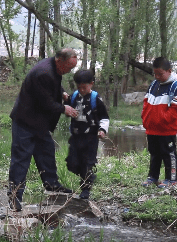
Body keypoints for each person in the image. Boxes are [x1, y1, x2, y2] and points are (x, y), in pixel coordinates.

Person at [8, 48, 79, 212]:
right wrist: (64, 109)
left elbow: (53, 85)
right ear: (59, 60)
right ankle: (14, 199)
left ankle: (52, 186)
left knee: (46, 152)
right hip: (25, 122)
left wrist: (62, 92)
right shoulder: (44, 72)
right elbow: (45, 103)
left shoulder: (53, 67)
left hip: (38, 122)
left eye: (71, 68)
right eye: (68, 67)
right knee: (20, 161)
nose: (68, 71)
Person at [141, 57, 177, 188]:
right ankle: (152, 177)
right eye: (155, 74)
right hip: (152, 128)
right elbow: (146, 102)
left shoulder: (176, 86)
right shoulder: (154, 84)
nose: (157, 76)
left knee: (168, 154)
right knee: (154, 153)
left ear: (169, 71)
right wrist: (146, 118)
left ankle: (171, 179)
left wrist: (163, 119)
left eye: (160, 74)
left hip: (167, 129)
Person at [64, 69, 109, 199]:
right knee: (71, 164)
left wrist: (102, 130)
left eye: (84, 87)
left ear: (91, 84)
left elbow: (104, 117)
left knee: (87, 163)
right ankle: (88, 176)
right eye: (79, 87)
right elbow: (66, 109)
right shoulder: (73, 97)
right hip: (76, 137)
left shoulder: (96, 99)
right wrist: (65, 106)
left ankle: (86, 189)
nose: (81, 90)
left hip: (91, 138)